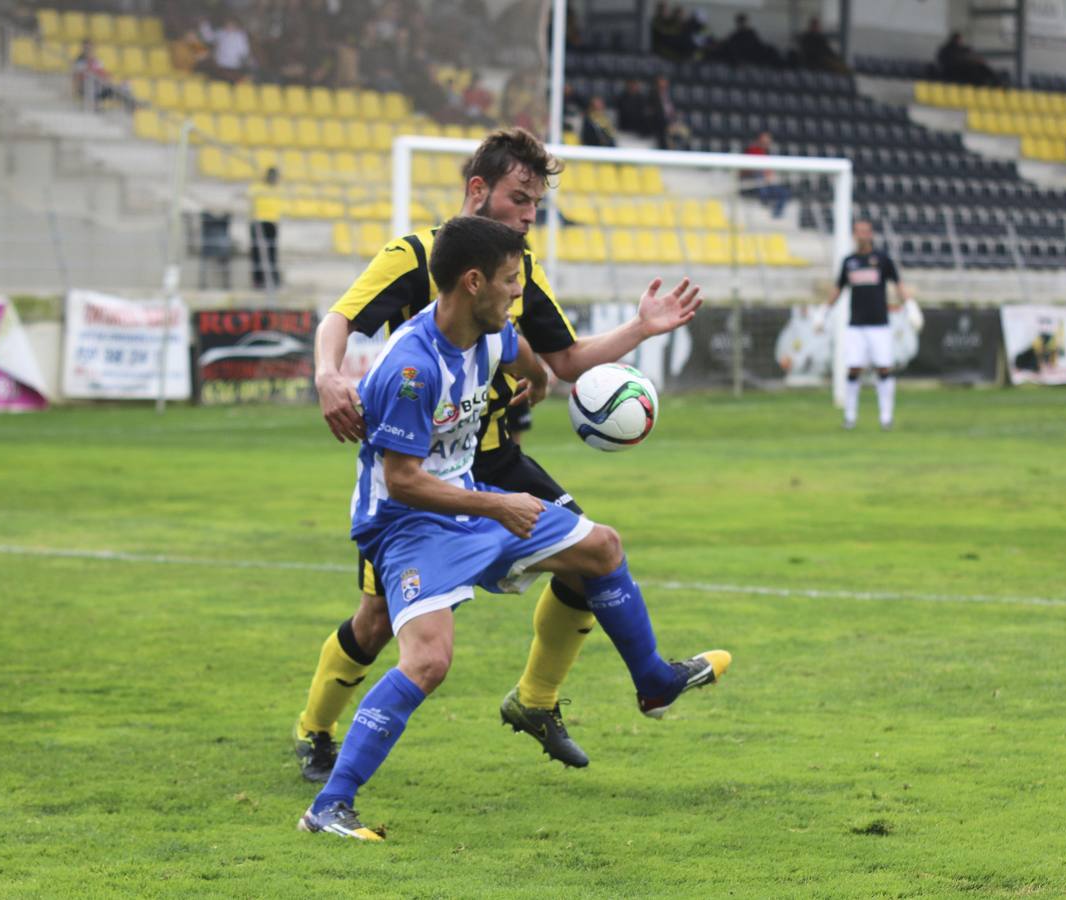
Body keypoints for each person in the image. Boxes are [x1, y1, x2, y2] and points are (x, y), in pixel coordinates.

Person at [298, 215, 730, 841]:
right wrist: (502, 506)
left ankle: (655, 683)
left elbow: (533, 364)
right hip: (406, 526)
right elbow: (404, 482)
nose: (517, 295)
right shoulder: (412, 369)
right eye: (510, 283)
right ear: (472, 282)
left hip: (468, 501)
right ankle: (330, 807)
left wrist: (538, 382)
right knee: (428, 661)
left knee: (602, 546)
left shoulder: (492, 333)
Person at [824, 219, 914, 431]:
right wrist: (823, 312)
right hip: (856, 325)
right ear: (854, 234)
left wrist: (910, 306)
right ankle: (850, 417)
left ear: (871, 234)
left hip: (879, 324)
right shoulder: (849, 262)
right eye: (858, 231)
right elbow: (838, 288)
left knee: (884, 368)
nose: (862, 235)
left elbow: (898, 284)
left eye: (865, 231)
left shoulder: (882, 260)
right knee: (853, 368)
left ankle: (886, 417)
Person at [740, 131, 789, 218]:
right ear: (759, 141)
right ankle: (765, 203)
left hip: (766, 183)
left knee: (783, 193)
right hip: (752, 182)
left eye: (768, 142)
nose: (766, 144)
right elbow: (747, 169)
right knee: (759, 178)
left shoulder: (767, 153)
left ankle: (776, 214)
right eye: (764, 142)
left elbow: (768, 171)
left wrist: (769, 176)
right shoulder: (752, 150)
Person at [248, 167, 283, 290]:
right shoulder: (258, 188)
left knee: (272, 252)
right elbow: (250, 197)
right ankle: (258, 281)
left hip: (272, 223)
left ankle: (272, 280)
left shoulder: (277, 190)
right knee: (257, 252)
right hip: (258, 222)